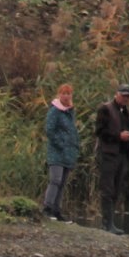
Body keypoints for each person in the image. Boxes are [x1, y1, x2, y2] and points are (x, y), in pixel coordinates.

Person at [94, 83, 129, 234]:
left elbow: (128, 130)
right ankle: (107, 224)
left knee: (116, 188)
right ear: (117, 94)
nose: (126, 98)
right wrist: (118, 136)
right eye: (123, 95)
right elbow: (99, 131)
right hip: (108, 153)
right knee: (107, 188)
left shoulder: (126, 112)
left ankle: (110, 223)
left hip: (122, 154)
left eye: (128, 96)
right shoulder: (105, 109)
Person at [41, 83, 78, 222]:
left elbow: (72, 132)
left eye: (69, 93)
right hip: (56, 152)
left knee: (62, 182)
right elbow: (49, 129)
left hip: (68, 153)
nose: (66, 96)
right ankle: (47, 208)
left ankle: (57, 210)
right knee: (55, 180)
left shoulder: (70, 112)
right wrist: (60, 144)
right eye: (64, 93)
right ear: (59, 94)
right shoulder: (55, 110)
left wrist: (74, 147)